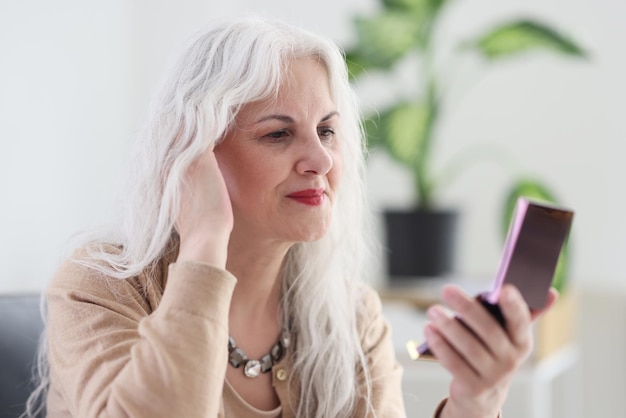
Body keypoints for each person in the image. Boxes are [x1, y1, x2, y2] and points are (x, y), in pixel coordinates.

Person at [27, 16, 556, 418]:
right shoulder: (100, 287)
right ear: (191, 158)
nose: (321, 161)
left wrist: (475, 401)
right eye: (278, 134)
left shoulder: (350, 316)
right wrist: (206, 241)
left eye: (327, 131)